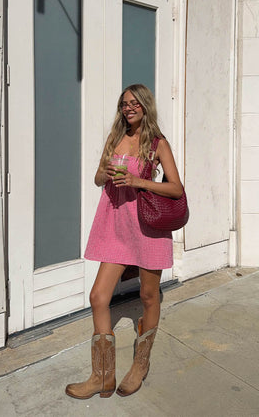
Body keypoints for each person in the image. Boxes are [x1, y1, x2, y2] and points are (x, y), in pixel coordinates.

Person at [66, 84, 183, 399]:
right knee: (98, 297)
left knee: (148, 297)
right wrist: (103, 173)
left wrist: (138, 180)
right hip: (116, 226)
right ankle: (101, 377)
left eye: (134, 103)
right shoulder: (115, 138)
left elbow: (176, 189)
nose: (128, 108)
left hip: (147, 227)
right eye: (123, 104)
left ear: (145, 106)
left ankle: (140, 366)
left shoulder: (157, 144)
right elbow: (97, 178)